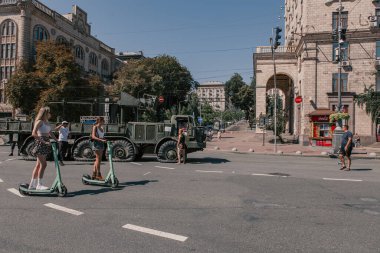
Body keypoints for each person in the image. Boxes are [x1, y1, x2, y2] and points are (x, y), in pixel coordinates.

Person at [29, 107, 58, 190]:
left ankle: (32, 185)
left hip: (46, 142)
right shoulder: (39, 122)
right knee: (44, 164)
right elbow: (33, 133)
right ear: (45, 113)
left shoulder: (46, 122)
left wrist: (57, 140)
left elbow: (50, 132)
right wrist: (43, 141)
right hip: (40, 143)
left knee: (38, 165)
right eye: (48, 112)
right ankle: (39, 184)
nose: (50, 114)